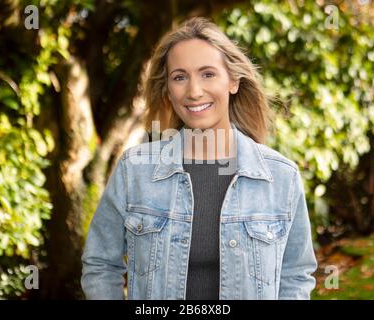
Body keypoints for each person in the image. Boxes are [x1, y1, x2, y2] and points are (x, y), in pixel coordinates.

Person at [81, 16, 317, 300]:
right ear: (168, 90)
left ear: (233, 81)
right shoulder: (134, 172)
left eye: (208, 74)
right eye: (179, 77)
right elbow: (100, 264)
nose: (194, 91)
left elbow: (295, 276)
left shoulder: (281, 177)